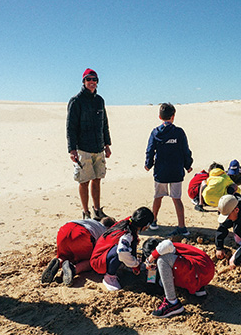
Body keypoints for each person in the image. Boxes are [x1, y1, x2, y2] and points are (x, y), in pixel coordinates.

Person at [67, 68, 112, 220]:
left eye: (94, 79)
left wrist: (107, 144)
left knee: (97, 179)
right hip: (83, 149)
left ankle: (97, 210)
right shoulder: (76, 101)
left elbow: (104, 123)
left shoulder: (100, 100)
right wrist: (72, 149)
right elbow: (70, 127)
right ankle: (86, 212)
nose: (92, 82)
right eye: (89, 79)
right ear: (84, 81)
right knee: (84, 180)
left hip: (98, 147)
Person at [145, 103, 193, 236]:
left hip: (161, 172)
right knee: (176, 198)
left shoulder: (156, 132)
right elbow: (185, 151)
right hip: (176, 171)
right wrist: (188, 165)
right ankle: (182, 227)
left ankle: (153, 221)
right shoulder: (179, 132)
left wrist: (148, 164)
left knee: (158, 196)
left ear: (159, 116)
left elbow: (150, 150)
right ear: (173, 116)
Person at [142, 238, 215, 318]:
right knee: (169, 267)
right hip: (206, 271)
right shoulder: (175, 248)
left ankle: (172, 302)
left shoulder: (165, 247)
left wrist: (149, 260)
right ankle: (199, 289)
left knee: (162, 261)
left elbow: (166, 243)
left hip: (198, 272)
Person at [90, 207, 154, 291]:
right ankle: (110, 276)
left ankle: (124, 265)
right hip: (99, 262)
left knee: (128, 247)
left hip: (103, 252)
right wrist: (135, 265)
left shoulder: (129, 222)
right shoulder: (127, 234)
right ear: (145, 225)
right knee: (122, 250)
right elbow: (122, 252)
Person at [41, 216, 116, 286]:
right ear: (109, 228)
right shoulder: (104, 231)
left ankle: (59, 261)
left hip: (64, 230)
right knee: (92, 261)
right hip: (82, 234)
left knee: (65, 255)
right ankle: (74, 269)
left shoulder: (90, 222)